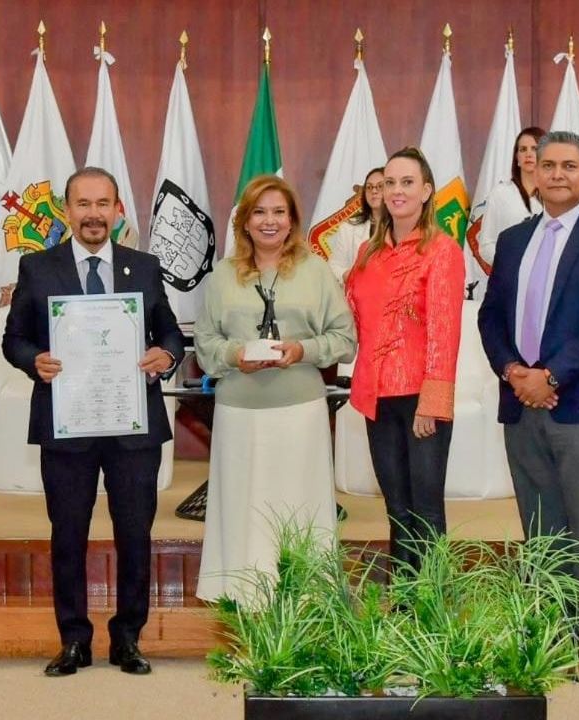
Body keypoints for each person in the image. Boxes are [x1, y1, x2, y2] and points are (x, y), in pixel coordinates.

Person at [3, 167, 185, 677]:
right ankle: (74, 639)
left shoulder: (143, 268)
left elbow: (171, 332)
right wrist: (32, 359)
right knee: (68, 534)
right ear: (67, 210)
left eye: (103, 203)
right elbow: (12, 339)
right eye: (83, 204)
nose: (93, 214)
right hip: (67, 427)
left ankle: (127, 638)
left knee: (134, 534)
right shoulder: (38, 268)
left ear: (118, 208)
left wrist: (164, 356)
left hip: (132, 429)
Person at [477, 130, 579, 682]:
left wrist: (550, 375)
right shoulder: (516, 238)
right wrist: (513, 372)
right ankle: (551, 632)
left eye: (569, 166)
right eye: (547, 165)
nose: (556, 175)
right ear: (533, 172)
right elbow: (491, 316)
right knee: (540, 528)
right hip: (522, 403)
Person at [193, 175, 355, 603]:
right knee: (244, 508)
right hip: (238, 413)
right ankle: (242, 595)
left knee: (300, 508)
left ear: (292, 221)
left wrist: (302, 349)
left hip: (299, 412)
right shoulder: (222, 277)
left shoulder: (316, 272)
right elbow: (205, 346)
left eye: (279, 212)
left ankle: (306, 597)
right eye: (260, 212)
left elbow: (345, 338)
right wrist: (234, 356)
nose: (270, 221)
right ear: (244, 221)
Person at [344, 147, 465, 573]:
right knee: (397, 508)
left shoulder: (442, 250)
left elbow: (445, 331)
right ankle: (404, 603)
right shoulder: (366, 255)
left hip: (420, 398)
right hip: (377, 395)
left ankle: (431, 608)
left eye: (407, 182)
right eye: (389, 183)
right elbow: (354, 320)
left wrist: (432, 403)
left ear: (427, 191)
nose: (396, 191)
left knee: (426, 508)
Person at [477, 126, 546, 268]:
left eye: (534, 148)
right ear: (517, 158)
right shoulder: (500, 194)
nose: (528, 154)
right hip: (510, 279)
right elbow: (486, 244)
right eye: (523, 149)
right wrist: (512, 262)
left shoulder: (556, 196)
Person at [326, 167, 383, 285]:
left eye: (380, 186)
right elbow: (334, 266)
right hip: (357, 295)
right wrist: (349, 276)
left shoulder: (402, 226)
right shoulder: (348, 228)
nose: (374, 191)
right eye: (369, 187)